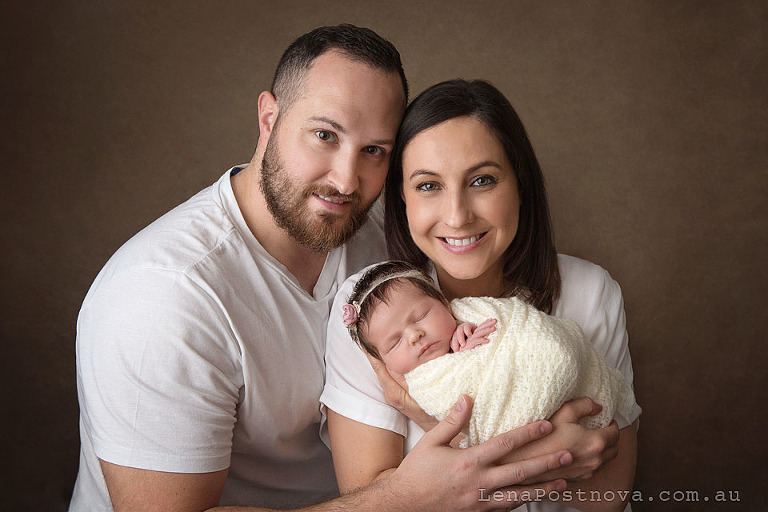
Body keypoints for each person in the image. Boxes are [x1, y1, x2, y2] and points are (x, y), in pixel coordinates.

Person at [70, 26, 578, 512]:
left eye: (374, 151)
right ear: (269, 119)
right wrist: (403, 500)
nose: (346, 180)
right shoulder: (162, 299)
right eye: (324, 135)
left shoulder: (386, 239)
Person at [322, 79, 641, 511]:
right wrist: (546, 454)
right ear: (403, 197)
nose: (457, 216)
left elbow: (606, 500)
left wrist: (434, 428)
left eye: (482, 180)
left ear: (520, 184)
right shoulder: (372, 310)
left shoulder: (589, 291)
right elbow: (370, 502)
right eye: (428, 186)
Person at [338, 260, 640, 448]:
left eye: (420, 317)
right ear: (382, 361)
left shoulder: (467, 316)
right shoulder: (418, 382)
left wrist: (466, 336)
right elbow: (453, 403)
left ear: (444, 303)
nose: (414, 336)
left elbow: (518, 338)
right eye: (394, 343)